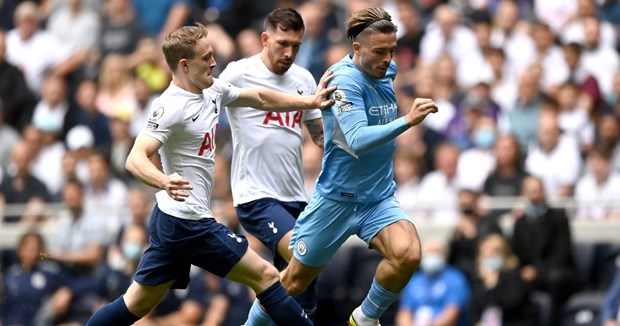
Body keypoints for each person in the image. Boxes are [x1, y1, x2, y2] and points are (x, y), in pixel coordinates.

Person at [84, 23, 335, 326]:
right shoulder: (169, 107)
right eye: (206, 58)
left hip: (170, 221)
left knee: (135, 303)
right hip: (188, 222)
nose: (214, 63)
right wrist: (163, 180)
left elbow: (260, 98)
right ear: (185, 65)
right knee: (267, 276)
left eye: (213, 55)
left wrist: (308, 102)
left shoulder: (212, 89)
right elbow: (134, 159)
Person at [244, 7, 438, 326]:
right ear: (357, 49)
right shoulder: (343, 80)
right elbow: (358, 139)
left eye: (392, 50)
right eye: (380, 51)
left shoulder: (386, 71)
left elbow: (379, 112)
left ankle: (364, 318)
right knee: (293, 282)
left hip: (376, 199)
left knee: (409, 253)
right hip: (336, 201)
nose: (388, 59)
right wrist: (408, 121)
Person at [219, 7, 324, 320]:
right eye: (282, 44)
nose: (289, 52)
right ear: (265, 39)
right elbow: (208, 106)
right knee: (304, 252)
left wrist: (346, 146)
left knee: (298, 286)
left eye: (296, 46)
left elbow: (317, 133)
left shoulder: (304, 79)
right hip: (255, 195)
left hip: (295, 196)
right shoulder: (239, 73)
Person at [396, 238, 470, 326]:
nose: (432, 255)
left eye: (437, 252)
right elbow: (404, 313)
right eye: (430, 252)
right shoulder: (414, 281)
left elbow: (453, 312)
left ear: (445, 255)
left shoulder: (455, 278)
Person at [470, 234, 537, 326]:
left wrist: (492, 284)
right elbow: (475, 309)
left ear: (504, 254)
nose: (489, 258)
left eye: (494, 253)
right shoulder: (479, 279)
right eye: (485, 255)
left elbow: (510, 303)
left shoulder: (514, 275)